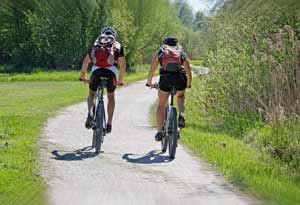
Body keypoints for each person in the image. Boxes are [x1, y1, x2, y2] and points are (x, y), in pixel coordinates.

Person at [79, 26, 126, 133]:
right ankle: (109, 124)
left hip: (96, 72)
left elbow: (86, 61)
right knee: (110, 96)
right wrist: (120, 80)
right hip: (111, 73)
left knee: (92, 94)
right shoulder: (117, 45)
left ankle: (90, 112)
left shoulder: (96, 43)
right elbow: (122, 65)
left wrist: (83, 76)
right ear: (114, 36)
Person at [146, 36, 192, 141]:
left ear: (165, 43)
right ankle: (181, 114)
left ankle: (159, 132)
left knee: (161, 105)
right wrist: (189, 83)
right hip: (180, 79)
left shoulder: (161, 52)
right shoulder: (180, 51)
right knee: (180, 96)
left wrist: (149, 82)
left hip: (165, 79)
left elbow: (152, 69)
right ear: (177, 44)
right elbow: (188, 69)